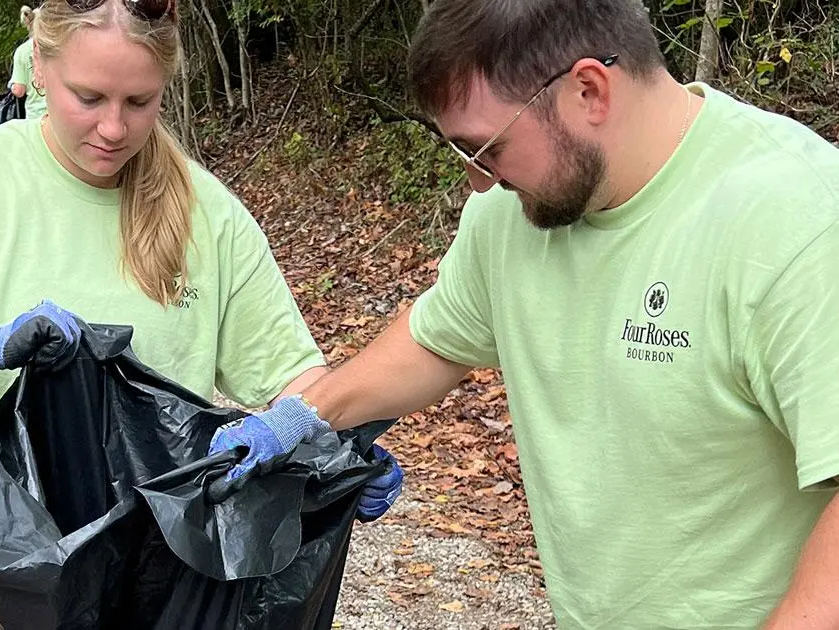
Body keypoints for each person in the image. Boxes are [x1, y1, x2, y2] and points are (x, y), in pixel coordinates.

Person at [208, 0, 839, 627]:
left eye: (489, 150)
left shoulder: (796, 222)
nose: (479, 182)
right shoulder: (508, 217)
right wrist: (303, 417)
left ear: (589, 89)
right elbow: (439, 341)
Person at [0, 1, 402, 628]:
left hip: (160, 552)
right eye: (88, 97)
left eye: (139, 103)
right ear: (38, 65)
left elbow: (293, 378)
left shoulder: (210, 218)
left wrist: (333, 447)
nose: (114, 129)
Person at [7, 7, 46, 119]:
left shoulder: (21, 51)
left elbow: (19, 91)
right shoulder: (57, 45)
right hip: (60, 112)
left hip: (35, 116)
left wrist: (12, 86)